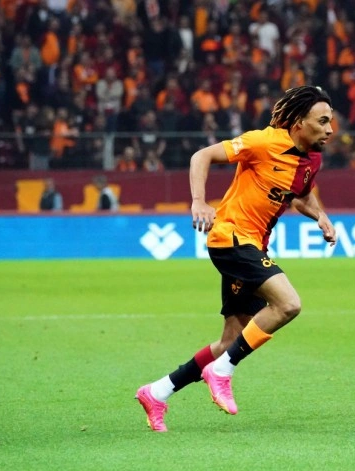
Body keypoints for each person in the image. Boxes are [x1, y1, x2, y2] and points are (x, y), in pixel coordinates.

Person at [135, 86, 337, 432]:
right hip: (231, 237)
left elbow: (299, 196)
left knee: (231, 340)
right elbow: (202, 156)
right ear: (299, 124)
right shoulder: (263, 142)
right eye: (322, 121)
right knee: (288, 304)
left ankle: (157, 392)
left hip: (253, 245)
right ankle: (222, 371)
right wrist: (199, 201)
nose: (330, 129)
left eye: (330, 121)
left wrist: (320, 216)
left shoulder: (311, 159)